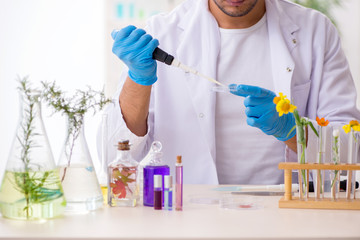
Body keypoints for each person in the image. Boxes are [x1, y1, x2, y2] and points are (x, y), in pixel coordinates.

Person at [101, 0, 360, 184]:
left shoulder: (315, 31)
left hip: (287, 209)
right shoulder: (161, 33)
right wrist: (138, 79)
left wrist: (295, 131)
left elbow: (352, 145)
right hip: (189, 214)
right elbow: (117, 156)